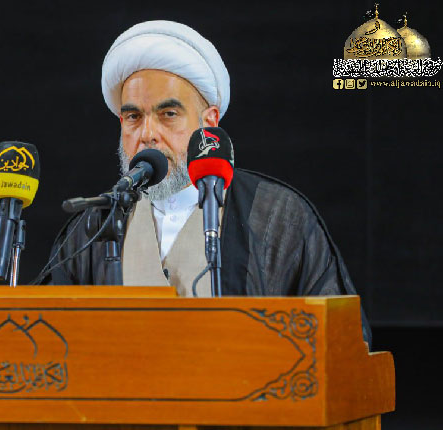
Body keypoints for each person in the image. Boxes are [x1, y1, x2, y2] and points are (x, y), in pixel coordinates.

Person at [41, 20, 371, 345]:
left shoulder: (276, 216)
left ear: (209, 122)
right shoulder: (94, 226)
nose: (147, 134)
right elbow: (44, 340)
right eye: (133, 117)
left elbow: (341, 342)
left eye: (168, 114)